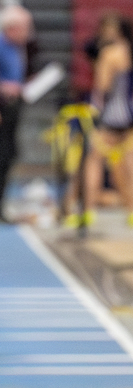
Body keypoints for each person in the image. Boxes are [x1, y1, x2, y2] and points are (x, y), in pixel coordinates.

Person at [80, 13, 133, 228]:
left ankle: (89, 209)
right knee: (124, 162)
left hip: (113, 113)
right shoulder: (128, 50)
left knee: (94, 158)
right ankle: (130, 209)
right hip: (129, 113)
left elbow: (102, 87)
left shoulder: (110, 53)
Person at [0, 5, 33, 223]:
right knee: (3, 154)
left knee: (10, 154)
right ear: (11, 28)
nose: (28, 33)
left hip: (14, 106)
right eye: (24, 28)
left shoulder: (17, 48)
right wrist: (1, 87)